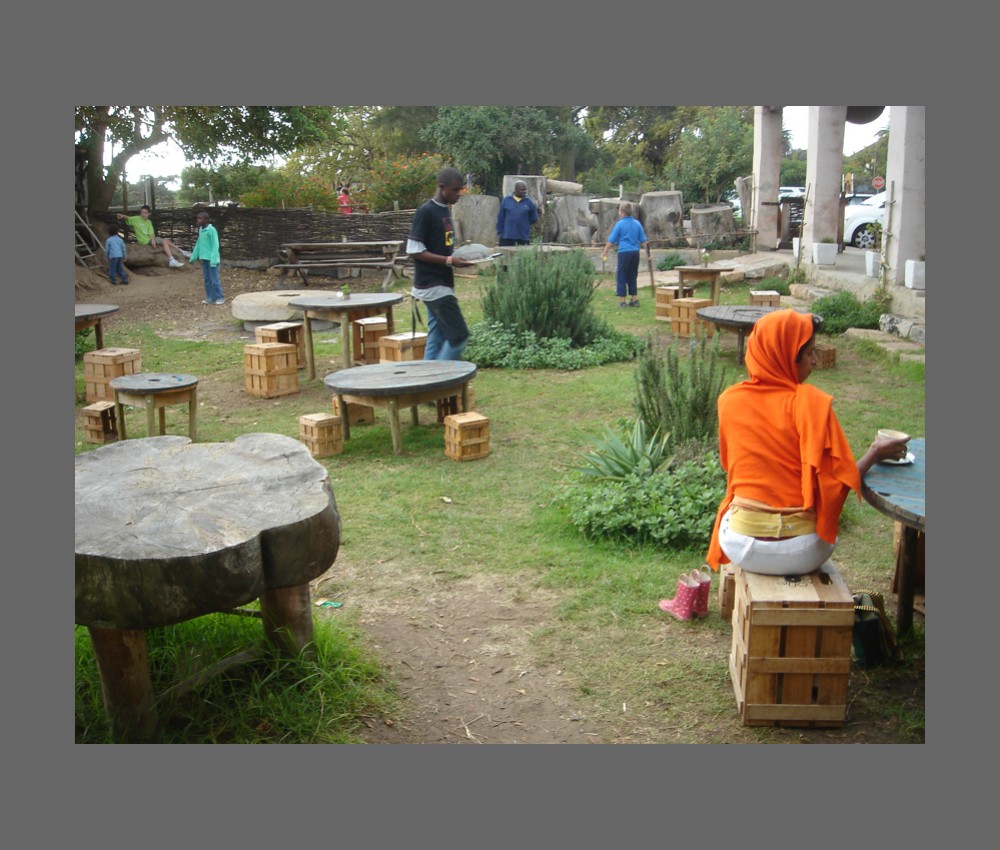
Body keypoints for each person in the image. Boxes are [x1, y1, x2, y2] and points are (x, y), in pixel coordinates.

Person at [704, 309, 910, 578]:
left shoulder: (729, 400)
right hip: (801, 551)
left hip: (740, 545)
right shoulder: (811, 404)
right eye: (809, 352)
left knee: (733, 513)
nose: (814, 360)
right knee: (825, 533)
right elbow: (835, 488)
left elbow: (730, 466)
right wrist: (874, 452)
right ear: (785, 354)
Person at [406, 166, 474, 360]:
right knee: (459, 337)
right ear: (441, 187)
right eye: (455, 190)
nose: (458, 194)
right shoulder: (426, 211)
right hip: (432, 285)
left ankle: (426, 386)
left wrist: (457, 258)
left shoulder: (444, 211)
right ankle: (444, 382)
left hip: (442, 282)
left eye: (460, 189)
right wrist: (449, 260)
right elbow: (414, 250)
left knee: (436, 337)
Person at [601, 202, 648, 308]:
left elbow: (611, 240)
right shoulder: (637, 224)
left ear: (622, 213)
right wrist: (648, 253)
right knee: (632, 275)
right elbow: (644, 240)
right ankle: (635, 299)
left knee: (621, 275)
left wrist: (605, 251)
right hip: (635, 253)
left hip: (624, 252)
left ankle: (622, 301)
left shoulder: (620, 224)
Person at [117, 205, 186, 267]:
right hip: (144, 240)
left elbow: (151, 233)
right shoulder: (136, 219)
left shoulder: (149, 222)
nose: (143, 214)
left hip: (148, 239)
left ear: (149, 214)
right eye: (142, 212)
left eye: (145, 213)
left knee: (167, 241)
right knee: (165, 241)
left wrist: (153, 239)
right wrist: (122, 216)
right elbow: (128, 218)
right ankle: (171, 260)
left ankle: (181, 251)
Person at [189, 210, 224, 305]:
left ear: (205, 220)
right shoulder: (201, 230)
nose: (198, 220)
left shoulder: (211, 230)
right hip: (204, 259)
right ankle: (210, 298)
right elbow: (198, 243)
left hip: (212, 260)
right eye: (197, 218)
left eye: (200, 218)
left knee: (214, 279)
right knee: (207, 280)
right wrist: (194, 256)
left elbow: (215, 245)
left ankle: (220, 297)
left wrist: (213, 259)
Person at [496, 180, 538, 246]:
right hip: (507, 236)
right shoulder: (506, 200)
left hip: (523, 237)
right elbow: (501, 217)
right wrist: (500, 232)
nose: (524, 192)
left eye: (525, 190)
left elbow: (534, 218)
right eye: (522, 190)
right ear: (516, 189)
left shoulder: (529, 202)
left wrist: (524, 222)